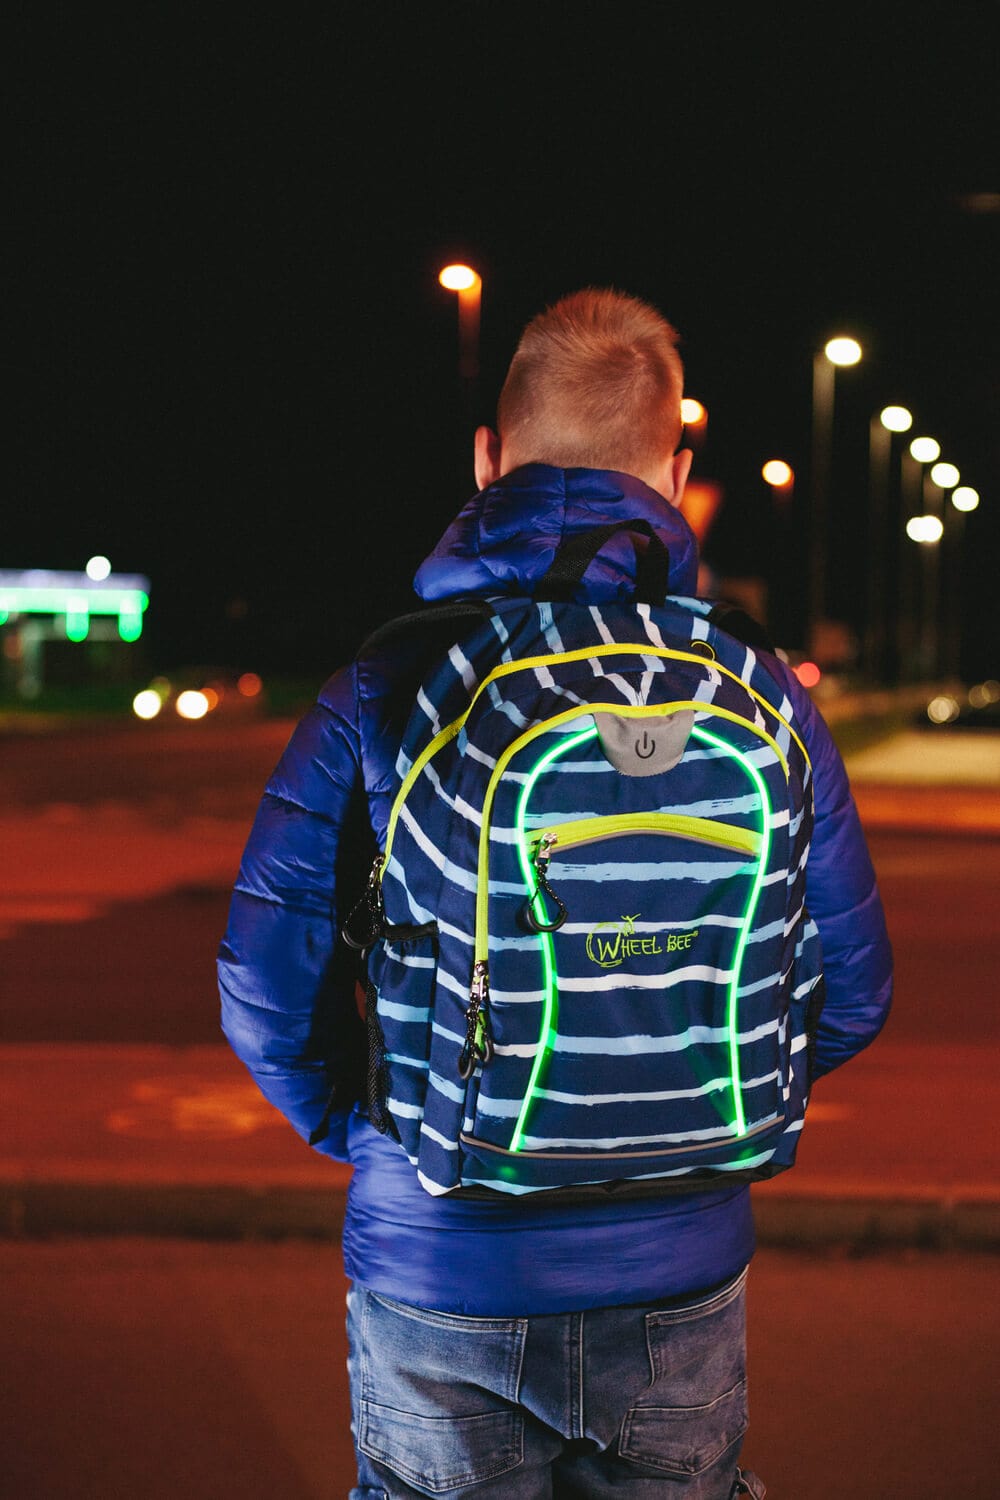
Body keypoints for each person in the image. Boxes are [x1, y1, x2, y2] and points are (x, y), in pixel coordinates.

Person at [218, 287, 893, 1498]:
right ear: (676, 473)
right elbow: (850, 993)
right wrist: (691, 1106)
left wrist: (379, 1124)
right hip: (682, 1270)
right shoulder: (762, 690)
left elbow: (263, 984)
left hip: (441, 1258)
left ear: (488, 459)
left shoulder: (390, 681)